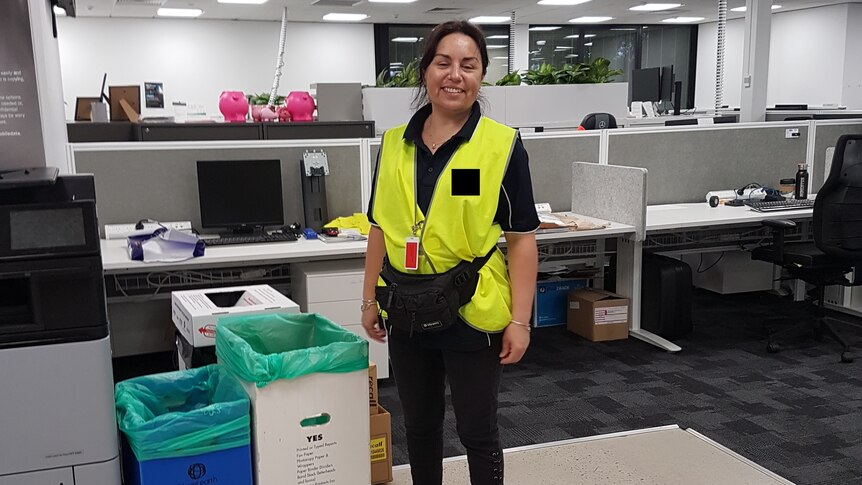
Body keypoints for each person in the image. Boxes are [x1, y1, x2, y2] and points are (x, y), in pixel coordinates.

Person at [361, 19, 539, 485]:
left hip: (471, 307)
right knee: (419, 427)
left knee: (477, 430)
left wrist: (520, 321)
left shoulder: (502, 146)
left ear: (481, 76)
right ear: (426, 72)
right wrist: (367, 300)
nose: (454, 74)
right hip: (405, 306)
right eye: (443, 62)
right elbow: (379, 228)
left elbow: (521, 239)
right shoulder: (393, 145)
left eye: (468, 64)